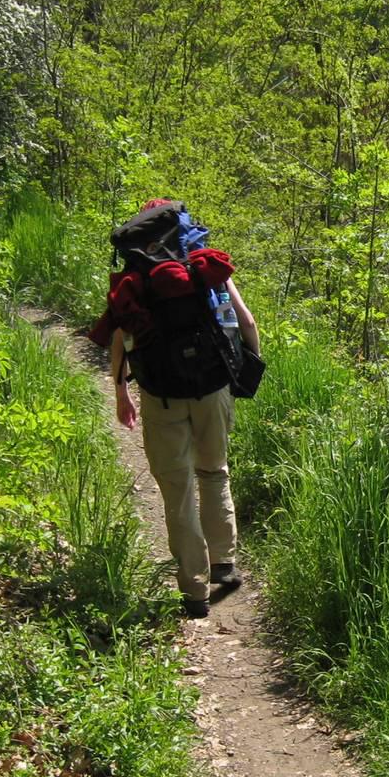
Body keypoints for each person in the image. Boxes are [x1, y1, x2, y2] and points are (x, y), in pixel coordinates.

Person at [105, 204, 260, 619]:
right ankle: (223, 562)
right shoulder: (202, 263)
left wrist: (121, 392)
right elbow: (246, 321)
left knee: (177, 490)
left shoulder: (136, 275)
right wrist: (246, 371)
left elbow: (121, 337)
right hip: (212, 388)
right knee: (214, 471)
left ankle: (194, 591)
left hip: (161, 395)